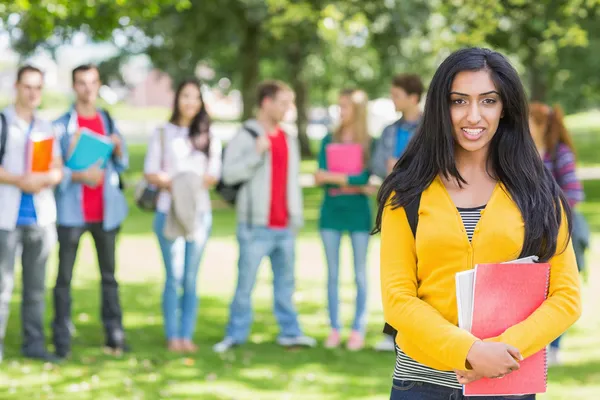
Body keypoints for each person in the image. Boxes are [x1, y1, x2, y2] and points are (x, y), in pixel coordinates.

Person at [373, 48, 582, 399]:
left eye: (488, 101)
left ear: (505, 109)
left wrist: (500, 351)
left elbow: (566, 297)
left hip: (506, 382)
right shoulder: (406, 192)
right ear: (441, 107)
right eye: (459, 101)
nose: (473, 115)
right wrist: (468, 351)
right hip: (420, 385)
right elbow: (398, 298)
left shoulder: (538, 193)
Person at [213, 80, 316, 353]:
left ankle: (290, 333)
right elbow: (230, 174)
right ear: (266, 102)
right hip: (254, 225)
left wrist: (296, 216)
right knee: (245, 284)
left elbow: (291, 181)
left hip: (285, 225)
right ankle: (235, 335)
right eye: (283, 103)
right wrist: (255, 154)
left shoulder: (288, 137)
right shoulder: (246, 135)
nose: (287, 109)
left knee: (286, 284)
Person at [52, 64, 129, 358]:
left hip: (105, 213)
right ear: (74, 87)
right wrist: (78, 172)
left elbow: (120, 166)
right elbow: (56, 173)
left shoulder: (108, 121)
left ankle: (115, 335)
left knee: (109, 277)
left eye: (93, 82)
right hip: (72, 214)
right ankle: (61, 339)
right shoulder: (61, 126)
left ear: (98, 86)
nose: (87, 88)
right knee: (64, 279)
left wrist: (119, 151)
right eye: (82, 83)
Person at [144, 79, 221, 353]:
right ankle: (172, 334)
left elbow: (213, 174)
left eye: (195, 97)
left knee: (190, 277)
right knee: (173, 276)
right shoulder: (164, 133)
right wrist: (179, 182)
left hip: (199, 214)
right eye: (185, 96)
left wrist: (189, 181)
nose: (190, 102)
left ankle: (187, 334)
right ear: (177, 98)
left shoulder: (209, 136)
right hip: (168, 211)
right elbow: (151, 171)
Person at [0, 65, 63, 362]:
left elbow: (58, 167)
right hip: (6, 217)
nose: (32, 92)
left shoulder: (46, 127)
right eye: (27, 86)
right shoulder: (2, 122)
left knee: (36, 289)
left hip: (40, 217)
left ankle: (34, 345)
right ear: (17, 87)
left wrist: (45, 179)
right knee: (2, 287)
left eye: (38, 87)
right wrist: (18, 179)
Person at [529, 102, 588, 366]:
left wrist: (548, 209)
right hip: (529, 233)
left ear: (540, 125)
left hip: (555, 233)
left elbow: (574, 192)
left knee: (557, 291)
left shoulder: (558, 154)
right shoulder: (524, 153)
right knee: (532, 292)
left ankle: (554, 348)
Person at [314, 89, 373, 351]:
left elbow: (367, 177)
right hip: (331, 214)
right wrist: (353, 181)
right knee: (333, 274)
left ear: (358, 110)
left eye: (345, 106)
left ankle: (358, 329)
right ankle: (334, 328)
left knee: (360, 274)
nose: (341, 111)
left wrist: (336, 178)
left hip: (359, 214)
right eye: (339, 106)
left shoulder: (370, 142)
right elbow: (318, 176)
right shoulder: (328, 138)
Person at [372, 73, 424, 353]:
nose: (393, 100)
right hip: (396, 205)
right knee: (396, 271)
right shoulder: (389, 131)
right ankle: (390, 331)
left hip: (424, 204)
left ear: (413, 97)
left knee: (420, 272)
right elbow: (378, 163)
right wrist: (390, 168)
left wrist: (404, 167)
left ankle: (416, 331)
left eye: (397, 95)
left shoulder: (431, 127)